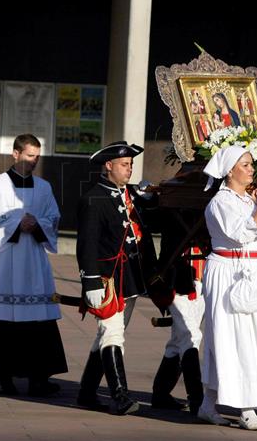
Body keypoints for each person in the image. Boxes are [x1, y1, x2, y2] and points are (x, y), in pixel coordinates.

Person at [199, 145, 257, 430]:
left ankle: (207, 403)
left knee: (256, 336)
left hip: (254, 272)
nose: (252, 170)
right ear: (230, 170)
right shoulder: (220, 202)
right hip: (228, 272)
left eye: (252, 164)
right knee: (233, 339)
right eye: (246, 164)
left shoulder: (249, 201)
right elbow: (240, 235)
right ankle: (245, 408)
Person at [0, 134, 66, 397]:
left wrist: (37, 224)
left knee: (39, 323)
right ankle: (4, 379)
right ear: (15, 154)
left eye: (37, 156)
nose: (34, 161)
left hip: (34, 264)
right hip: (4, 263)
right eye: (29, 155)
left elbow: (53, 218)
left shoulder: (44, 187)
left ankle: (39, 379)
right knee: (4, 323)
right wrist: (17, 224)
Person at [74, 141, 159, 414]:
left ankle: (87, 392)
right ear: (108, 166)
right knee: (112, 333)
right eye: (125, 165)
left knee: (107, 334)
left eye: (131, 165)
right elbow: (87, 244)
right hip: (108, 278)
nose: (129, 169)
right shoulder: (94, 198)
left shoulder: (130, 194)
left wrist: (152, 200)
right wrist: (90, 281)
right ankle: (119, 395)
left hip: (131, 277)